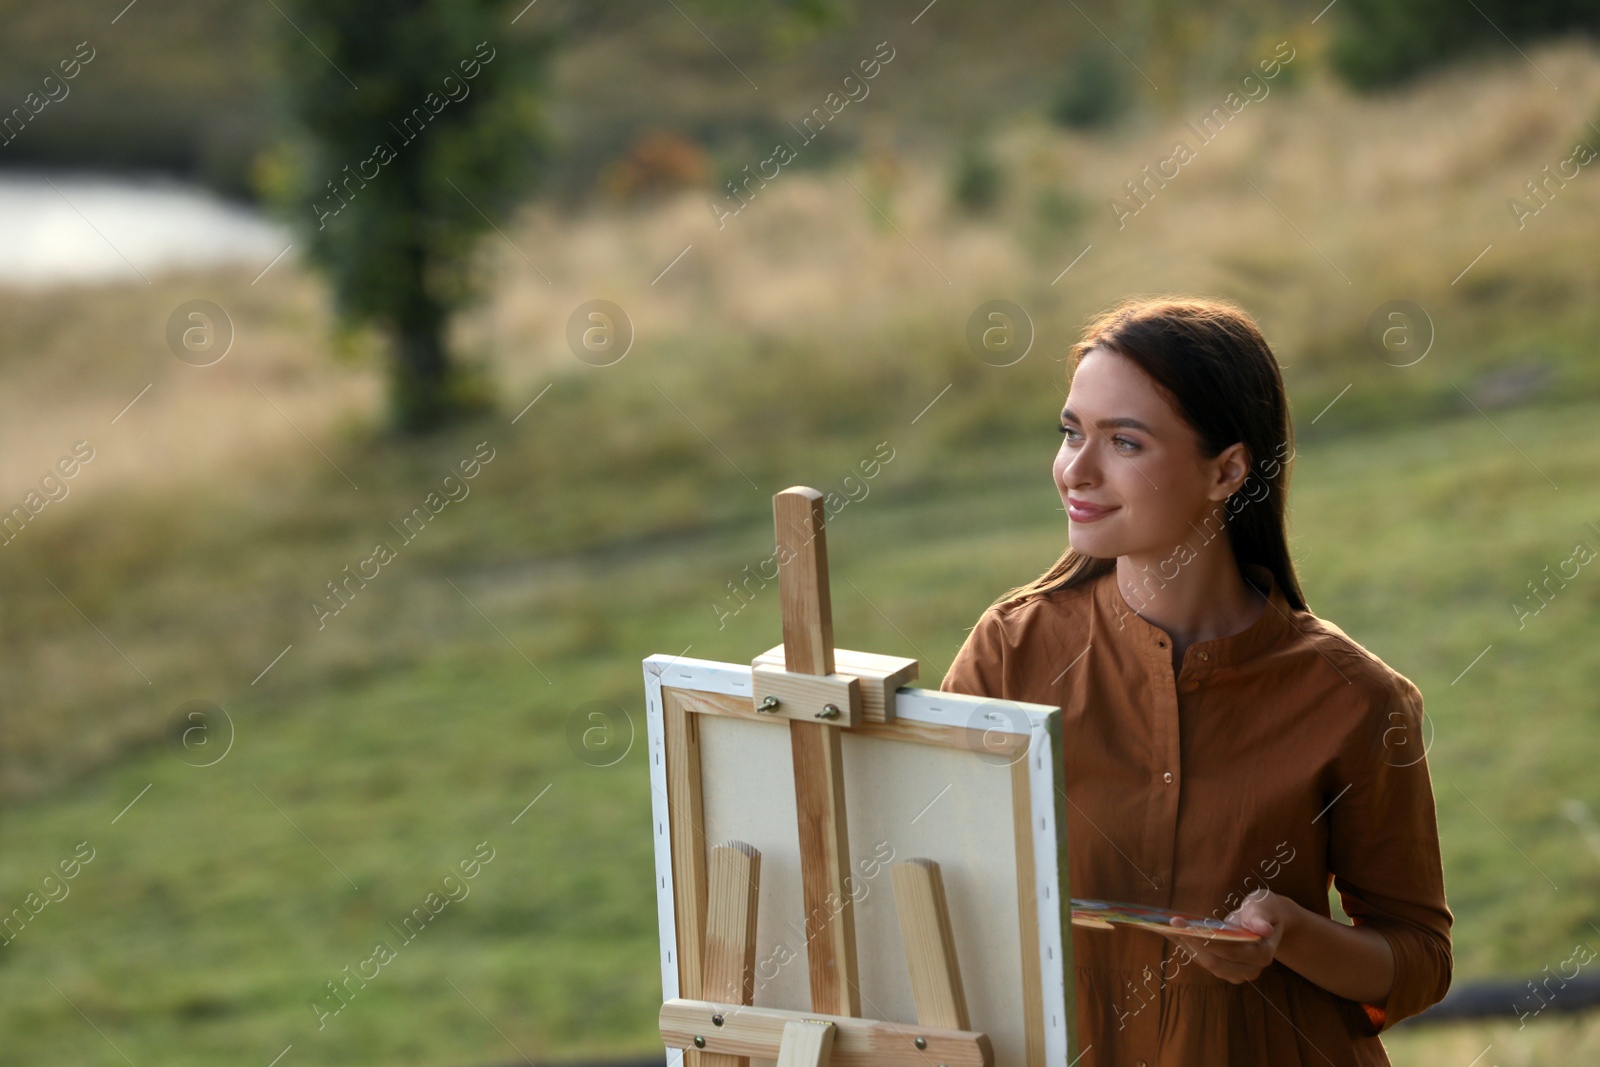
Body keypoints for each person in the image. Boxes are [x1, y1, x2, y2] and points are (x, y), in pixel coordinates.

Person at [939, 296, 1452, 1066]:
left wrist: (1289, 933)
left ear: (1227, 470)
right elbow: (931, 889)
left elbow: (1418, 959)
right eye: (1071, 431)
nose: (1076, 469)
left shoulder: (1355, 699)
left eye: (1125, 442)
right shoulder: (1011, 653)